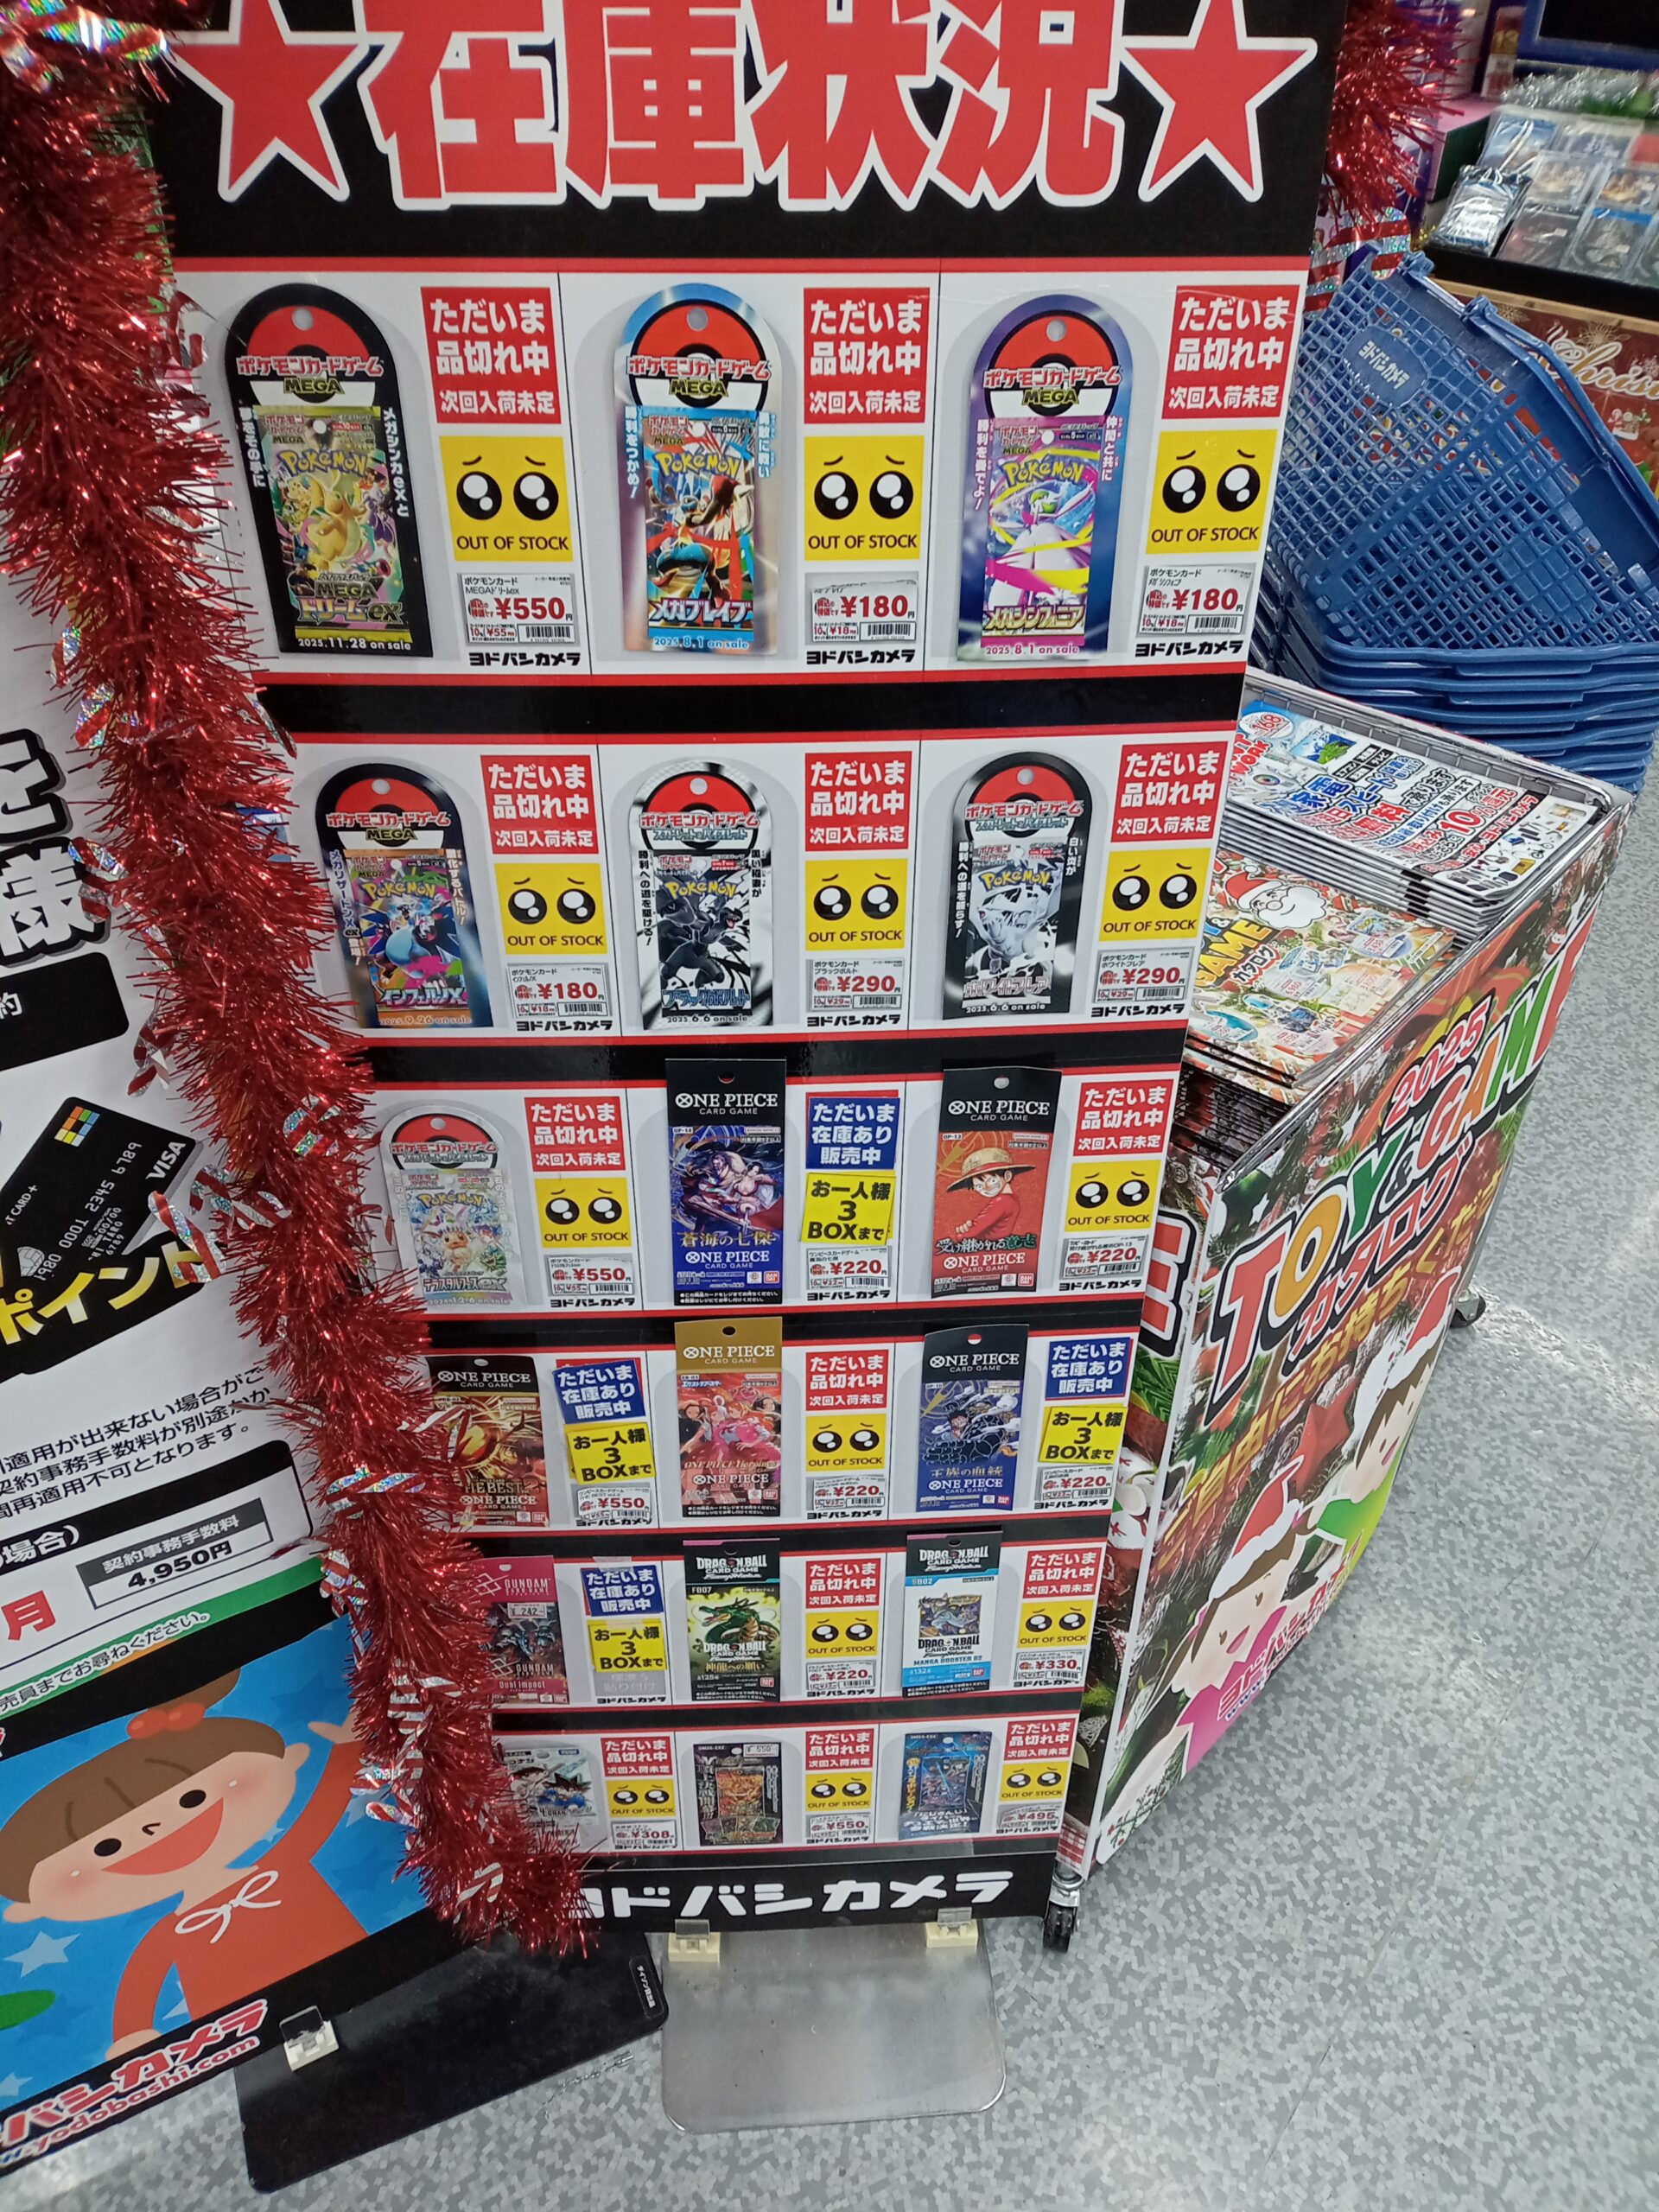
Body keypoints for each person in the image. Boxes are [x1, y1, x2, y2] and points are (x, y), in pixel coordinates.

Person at [0, 1670, 364, 2061]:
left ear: (291, 1761)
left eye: (192, 1799)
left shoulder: (283, 1861)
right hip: (238, 2029)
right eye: (107, 1847)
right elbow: (140, 1985)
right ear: (27, 1909)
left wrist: (349, 1747)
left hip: (357, 1970)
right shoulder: (169, 1933)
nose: (154, 1832)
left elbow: (325, 1808)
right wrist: (134, 2037)